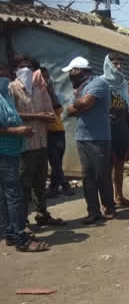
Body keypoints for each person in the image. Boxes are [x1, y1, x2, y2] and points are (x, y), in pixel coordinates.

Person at [10, 56, 64, 227]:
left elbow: (50, 111)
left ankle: (42, 214)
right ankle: (22, 221)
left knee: (40, 183)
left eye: (28, 66)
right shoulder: (12, 89)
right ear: (15, 70)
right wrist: (37, 116)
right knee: (24, 184)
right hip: (25, 145)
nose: (25, 69)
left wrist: (47, 116)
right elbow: (11, 116)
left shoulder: (39, 88)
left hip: (42, 142)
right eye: (21, 66)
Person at [64, 57, 117, 224]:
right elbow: (70, 110)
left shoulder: (98, 83)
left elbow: (85, 102)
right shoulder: (81, 88)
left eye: (71, 71)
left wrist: (80, 104)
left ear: (78, 70)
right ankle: (93, 212)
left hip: (98, 137)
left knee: (102, 175)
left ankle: (109, 207)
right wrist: (80, 105)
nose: (69, 76)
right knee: (88, 177)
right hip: (82, 137)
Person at [0, 65, 47, 252]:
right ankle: (21, 238)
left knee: (6, 196)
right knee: (14, 196)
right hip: (5, 153)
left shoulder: (4, 98)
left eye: (6, 74)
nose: (5, 79)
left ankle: (11, 233)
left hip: (10, 151)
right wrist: (18, 131)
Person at [103, 53, 129, 207]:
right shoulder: (102, 84)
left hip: (122, 132)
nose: (119, 67)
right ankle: (107, 202)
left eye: (121, 63)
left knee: (120, 167)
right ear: (109, 65)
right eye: (115, 63)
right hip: (106, 133)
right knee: (107, 169)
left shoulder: (123, 84)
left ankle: (119, 196)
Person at [40, 67, 72, 198]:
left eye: (47, 77)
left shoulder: (52, 93)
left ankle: (54, 188)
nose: (46, 80)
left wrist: (51, 92)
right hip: (48, 133)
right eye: (43, 77)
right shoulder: (37, 96)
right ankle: (65, 186)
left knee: (56, 161)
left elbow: (58, 110)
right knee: (55, 162)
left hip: (59, 131)